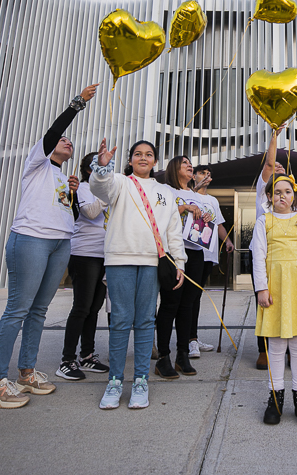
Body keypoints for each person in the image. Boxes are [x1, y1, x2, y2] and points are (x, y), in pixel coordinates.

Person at [0, 84, 99, 408]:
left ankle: (27, 372)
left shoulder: (65, 178)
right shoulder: (37, 163)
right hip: (31, 239)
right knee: (17, 309)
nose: (67, 141)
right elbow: (52, 133)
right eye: (63, 140)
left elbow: (74, 217)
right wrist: (77, 105)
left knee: (39, 310)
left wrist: (74, 195)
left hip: (61, 243)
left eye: (70, 142)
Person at [90, 138, 186, 409]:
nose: (143, 158)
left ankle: (141, 380)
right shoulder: (119, 181)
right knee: (119, 320)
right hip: (120, 259)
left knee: (145, 321)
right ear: (131, 159)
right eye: (137, 154)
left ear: (155, 161)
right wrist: (102, 166)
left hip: (152, 262)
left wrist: (179, 262)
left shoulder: (165, 192)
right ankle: (115, 381)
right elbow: (99, 188)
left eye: (149, 154)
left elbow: (173, 231)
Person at [253, 175, 297, 426]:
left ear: (294, 195)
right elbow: (258, 256)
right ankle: (275, 396)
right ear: (269, 196)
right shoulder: (264, 221)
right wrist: (261, 288)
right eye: (277, 192)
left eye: (287, 191)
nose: (282, 196)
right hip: (275, 286)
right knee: (275, 344)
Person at [253, 131, 297, 370]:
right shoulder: (264, 199)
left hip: (295, 265)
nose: (277, 169)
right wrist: (275, 136)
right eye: (273, 169)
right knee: (267, 306)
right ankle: (264, 350)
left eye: (281, 170)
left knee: (291, 305)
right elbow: (268, 163)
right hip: (269, 263)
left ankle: (289, 350)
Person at [155, 155, 211, 378]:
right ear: (173, 168)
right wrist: (183, 208)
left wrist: (205, 216)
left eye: (191, 164)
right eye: (185, 163)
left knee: (188, 304)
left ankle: (182, 355)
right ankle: (163, 357)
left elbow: (202, 222)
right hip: (172, 254)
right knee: (170, 304)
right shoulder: (166, 191)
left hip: (196, 253)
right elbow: (159, 217)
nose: (190, 166)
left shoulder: (196, 195)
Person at [56, 153, 110, 381]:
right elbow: (90, 212)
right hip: (84, 253)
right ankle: (67, 360)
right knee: (81, 307)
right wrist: (109, 195)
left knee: (94, 308)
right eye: (103, 166)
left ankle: (87, 355)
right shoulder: (84, 189)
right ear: (90, 170)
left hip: (105, 255)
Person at [188, 165, 234, 358]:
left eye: (208, 174)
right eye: (201, 173)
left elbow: (219, 224)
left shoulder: (213, 200)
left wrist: (228, 241)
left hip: (208, 253)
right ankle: (189, 340)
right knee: (189, 298)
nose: (206, 176)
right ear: (193, 175)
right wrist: (196, 186)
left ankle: (193, 338)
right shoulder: (188, 194)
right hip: (191, 250)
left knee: (196, 296)